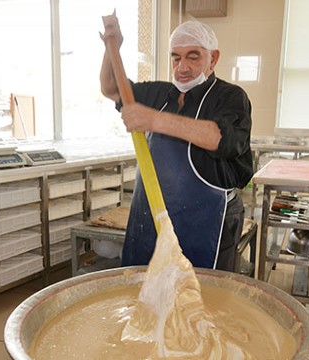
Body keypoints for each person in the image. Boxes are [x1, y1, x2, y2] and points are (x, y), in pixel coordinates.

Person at [99, 13, 253, 272]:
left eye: (193, 57)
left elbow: (220, 137)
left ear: (213, 59)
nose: (182, 67)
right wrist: (111, 47)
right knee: (147, 292)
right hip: (151, 218)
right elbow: (112, 88)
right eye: (176, 57)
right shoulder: (160, 94)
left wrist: (153, 120)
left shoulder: (230, 97)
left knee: (201, 297)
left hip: (206, 223)